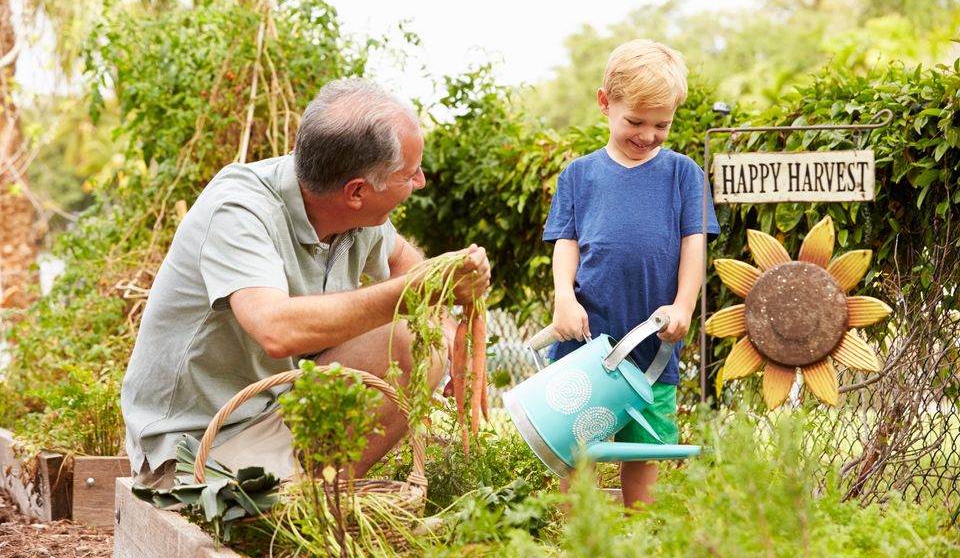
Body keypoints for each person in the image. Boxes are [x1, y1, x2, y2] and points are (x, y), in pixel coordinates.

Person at [121, 78, 491, 488]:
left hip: (279, 411)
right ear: (356, 191)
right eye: (410, 173)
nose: (420, 181)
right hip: (197, 445)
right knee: (406, 327)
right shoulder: (239, 209)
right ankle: (303, 504)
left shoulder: (358, 216)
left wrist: (442, 305)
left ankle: (321, 495)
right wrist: (412, 294)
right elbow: (276, 330)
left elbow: (402, 258)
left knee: (416, 337)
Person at [543, 39, 719, 507]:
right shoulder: (578, 176)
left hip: (652, 349)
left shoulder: (684, 174)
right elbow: (567, 245)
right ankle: (579, 537)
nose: (648, 134)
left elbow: (693, 250)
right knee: (576, 446)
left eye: (662, 124)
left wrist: (684, 306)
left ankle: (640, 536)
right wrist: (564, 296)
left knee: (644, 449)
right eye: (635, 122)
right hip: (585, 345)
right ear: (605, 103)